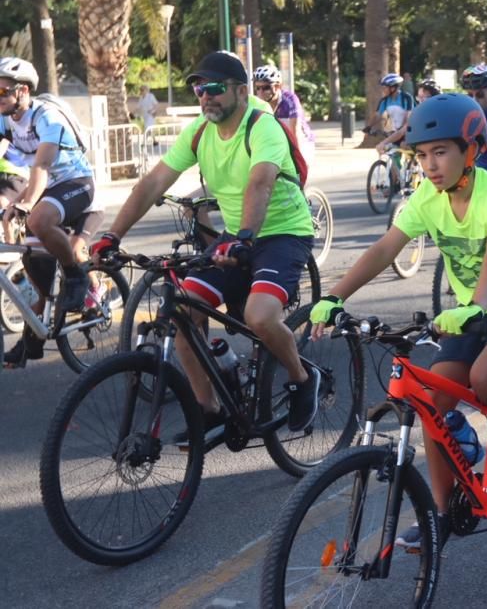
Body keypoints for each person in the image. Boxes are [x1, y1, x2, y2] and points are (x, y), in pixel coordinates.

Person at [308, 93, 487, 549]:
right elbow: (385, 248)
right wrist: (334, 297)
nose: (430, 165)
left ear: (472, 150)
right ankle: (442, 516)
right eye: (421, 155)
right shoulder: (428, 197)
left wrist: (477, 304)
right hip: (473, 313)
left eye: (441, 152)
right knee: (431, 405)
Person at [90, 51, 320, 438]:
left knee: (260, 317)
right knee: (182, 311)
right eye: (199, 89)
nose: (205, 96)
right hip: (238, 236)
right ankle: (209, 408)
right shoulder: (199, 130)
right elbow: (152, 183)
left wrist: (244, 237)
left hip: (282, 232)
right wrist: (113, 235)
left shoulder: (262, 127)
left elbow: (259, 183)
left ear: (241, 92)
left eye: (215, 88)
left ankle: (301, 377)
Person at [0, 56, 97, 365]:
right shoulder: (5, 119)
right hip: (47, 190)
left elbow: (42, 164)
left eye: (2, 91)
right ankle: (32, 340)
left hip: (76, 184)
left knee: (40, 219)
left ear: (23, 91)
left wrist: (26, 203)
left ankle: (77, 276)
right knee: (37, 274)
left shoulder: (47, 116)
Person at [252, 64, 316, 165]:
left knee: (297, 173)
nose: (261, 92)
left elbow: (295, 132)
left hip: (302, 141)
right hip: (279, 139)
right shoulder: (258, 104)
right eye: (258, 88)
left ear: (278, 86)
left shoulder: (290, 100)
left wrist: (299, 163)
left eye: (266, 88)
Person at [364, 73, 415, 155]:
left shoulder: (406, 98)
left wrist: (399, 131)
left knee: (403, 146)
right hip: (396, 131)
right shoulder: (384, 100)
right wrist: (368, 127)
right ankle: (397, 167)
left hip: (409, 130)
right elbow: (377, 115)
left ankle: (413, 165)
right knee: (390, 152)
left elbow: (408, 117)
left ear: (393, 88)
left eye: (385, 88)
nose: (383, 90)